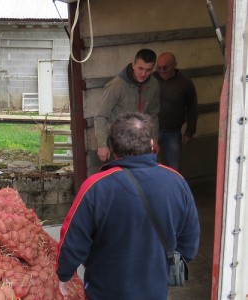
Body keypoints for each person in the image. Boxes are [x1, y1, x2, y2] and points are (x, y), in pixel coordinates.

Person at [56, 112, 200, 299]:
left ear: (113, 148)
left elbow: (73, 239)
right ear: (151, 145)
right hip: (154, 290)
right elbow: (189, 244)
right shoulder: (177, 181)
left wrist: (63, 274)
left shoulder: (96, 187)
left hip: (105, 291)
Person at [94, 48, 160, 162]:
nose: (143, 74)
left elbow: (153, 115)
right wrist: (102, 145)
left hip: (140, 140)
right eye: (140, 68)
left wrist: (154, 139)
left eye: (148, 70)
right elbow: (101, 116)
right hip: (118, 140)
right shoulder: (116, 85)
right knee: (121, 174)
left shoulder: (154, 85)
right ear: (133, 65)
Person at [153, 52, 198, 171]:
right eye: (159, 68)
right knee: (150, 167)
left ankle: (171, 189)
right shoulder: (151, 80)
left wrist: (189, 132)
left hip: (172, 132)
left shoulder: (185, 82)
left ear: (174, 65)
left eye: (165, 68)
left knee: (173, 168)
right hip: (151, 131)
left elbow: (192, 107)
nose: (161, 71)